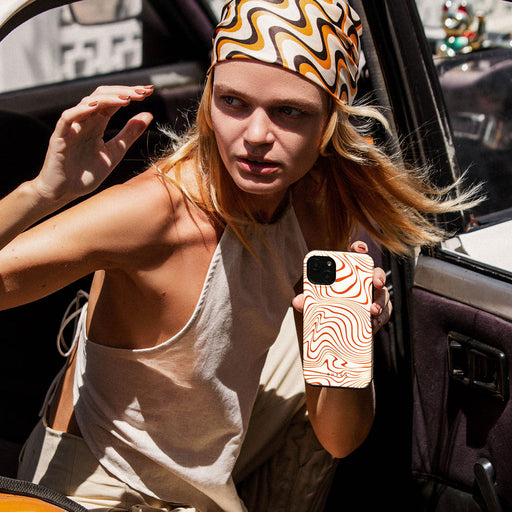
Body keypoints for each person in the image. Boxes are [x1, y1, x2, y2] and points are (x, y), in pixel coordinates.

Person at [0, 0, 476, 511]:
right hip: (96, 487)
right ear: (209, 102)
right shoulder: (155, 212)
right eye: (233, 102)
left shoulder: (316, 205)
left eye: (289, 112)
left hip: (202, 478)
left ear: (328, 124)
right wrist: (42, 192)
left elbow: (340, 438)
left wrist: (348, 350)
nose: (255, 137)